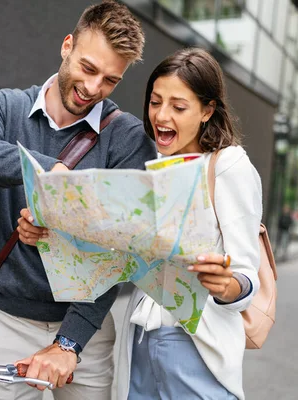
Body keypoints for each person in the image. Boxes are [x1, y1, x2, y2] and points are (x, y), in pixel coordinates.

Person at [0, 2, 156, 399]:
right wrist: (48, 171)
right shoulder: (8, 108)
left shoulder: (128, 138)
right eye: (88, 68)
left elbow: (122, 250)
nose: (93, 89)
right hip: (6, 322)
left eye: (110, 80)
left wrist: (69, 343)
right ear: (66, 45)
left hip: (86, 327)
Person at [116, 48, 263, 399]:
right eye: (155, 101)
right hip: (141, 338)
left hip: (194, 345)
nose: (161, 116)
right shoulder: (154, 164)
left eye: (178, 107)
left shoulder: (228, 166)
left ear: (207, 110)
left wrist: (227, 286)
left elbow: (247, 272)